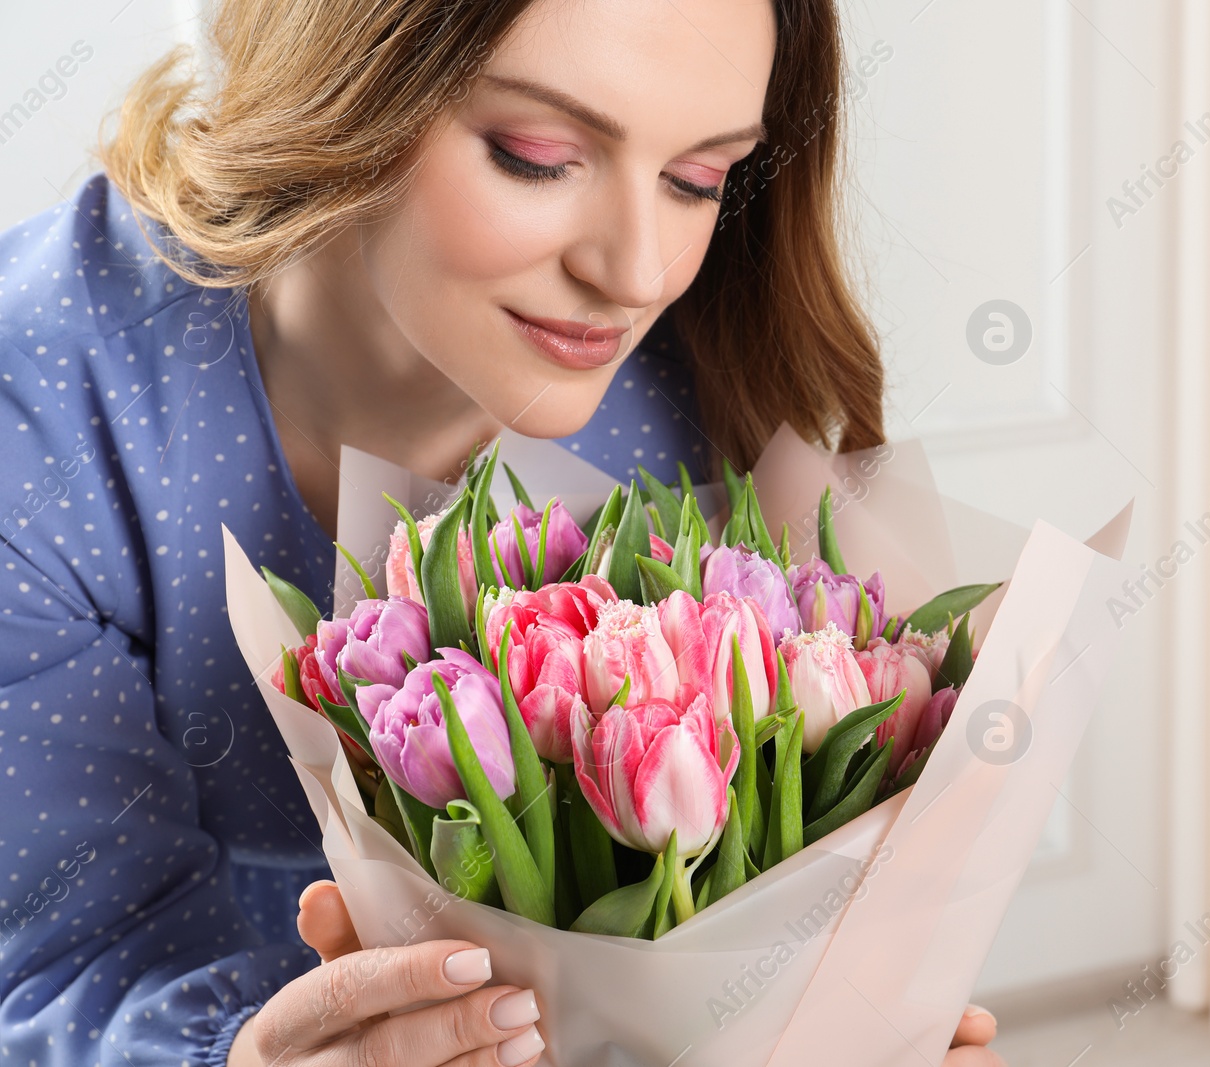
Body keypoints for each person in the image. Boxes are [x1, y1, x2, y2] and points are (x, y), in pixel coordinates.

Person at [0, 0, 1004, 1064]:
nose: (638, 273)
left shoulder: (710, 374)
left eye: (697, 180)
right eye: (538, 157)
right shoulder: (47, 412)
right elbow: (68, 964)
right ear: (338, 75)